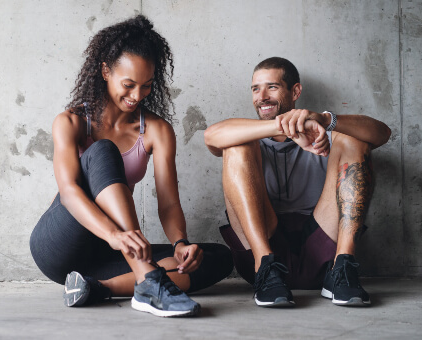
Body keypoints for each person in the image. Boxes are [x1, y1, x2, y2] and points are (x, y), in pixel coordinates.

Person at [30, 15, 233, 318]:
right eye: (128, 85)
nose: (137, 96)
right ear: (105, 71)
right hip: (62, 242)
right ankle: (148, 281)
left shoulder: (157, 130)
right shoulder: (71, 122)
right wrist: (113, 234)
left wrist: (180, 242)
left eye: (147, 86)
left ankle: (100, 287)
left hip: (110, 253)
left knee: (215, 257)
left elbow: (168, 202)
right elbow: (70, 192)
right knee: (103, 151)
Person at [204, 57, 391, 308]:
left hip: (322, 251)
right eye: (255, 89)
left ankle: (343, 267)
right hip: (263, 250)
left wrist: (324, 120)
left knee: (352, 139)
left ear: (295, 91)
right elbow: (212, 136)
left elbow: (382, 134)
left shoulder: (321, 131)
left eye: (271, 87)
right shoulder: (248, 136)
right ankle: (266, 267)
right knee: (236, 147)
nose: (262, 96)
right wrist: (279, 127)